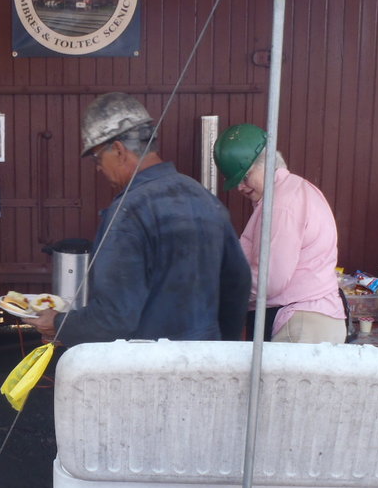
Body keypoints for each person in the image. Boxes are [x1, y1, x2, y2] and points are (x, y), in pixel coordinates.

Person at [24, 92, 250, 345]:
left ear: (119, 151)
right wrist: (221, 345)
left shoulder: (128, 212)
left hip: (147, 371)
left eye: (98, 158)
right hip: (205, 363)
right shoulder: (206, 200)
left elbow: (114, 318)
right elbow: (238, 285)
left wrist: (59, 324)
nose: (99, 168)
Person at [213, 123, 345, 343]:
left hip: (301, 323)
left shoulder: (280, 205)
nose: (240, 188)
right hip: (310, 319)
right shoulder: (297, 189)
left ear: (265, 164)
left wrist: (224, 297)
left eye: (244, 177)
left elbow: (268, 280)